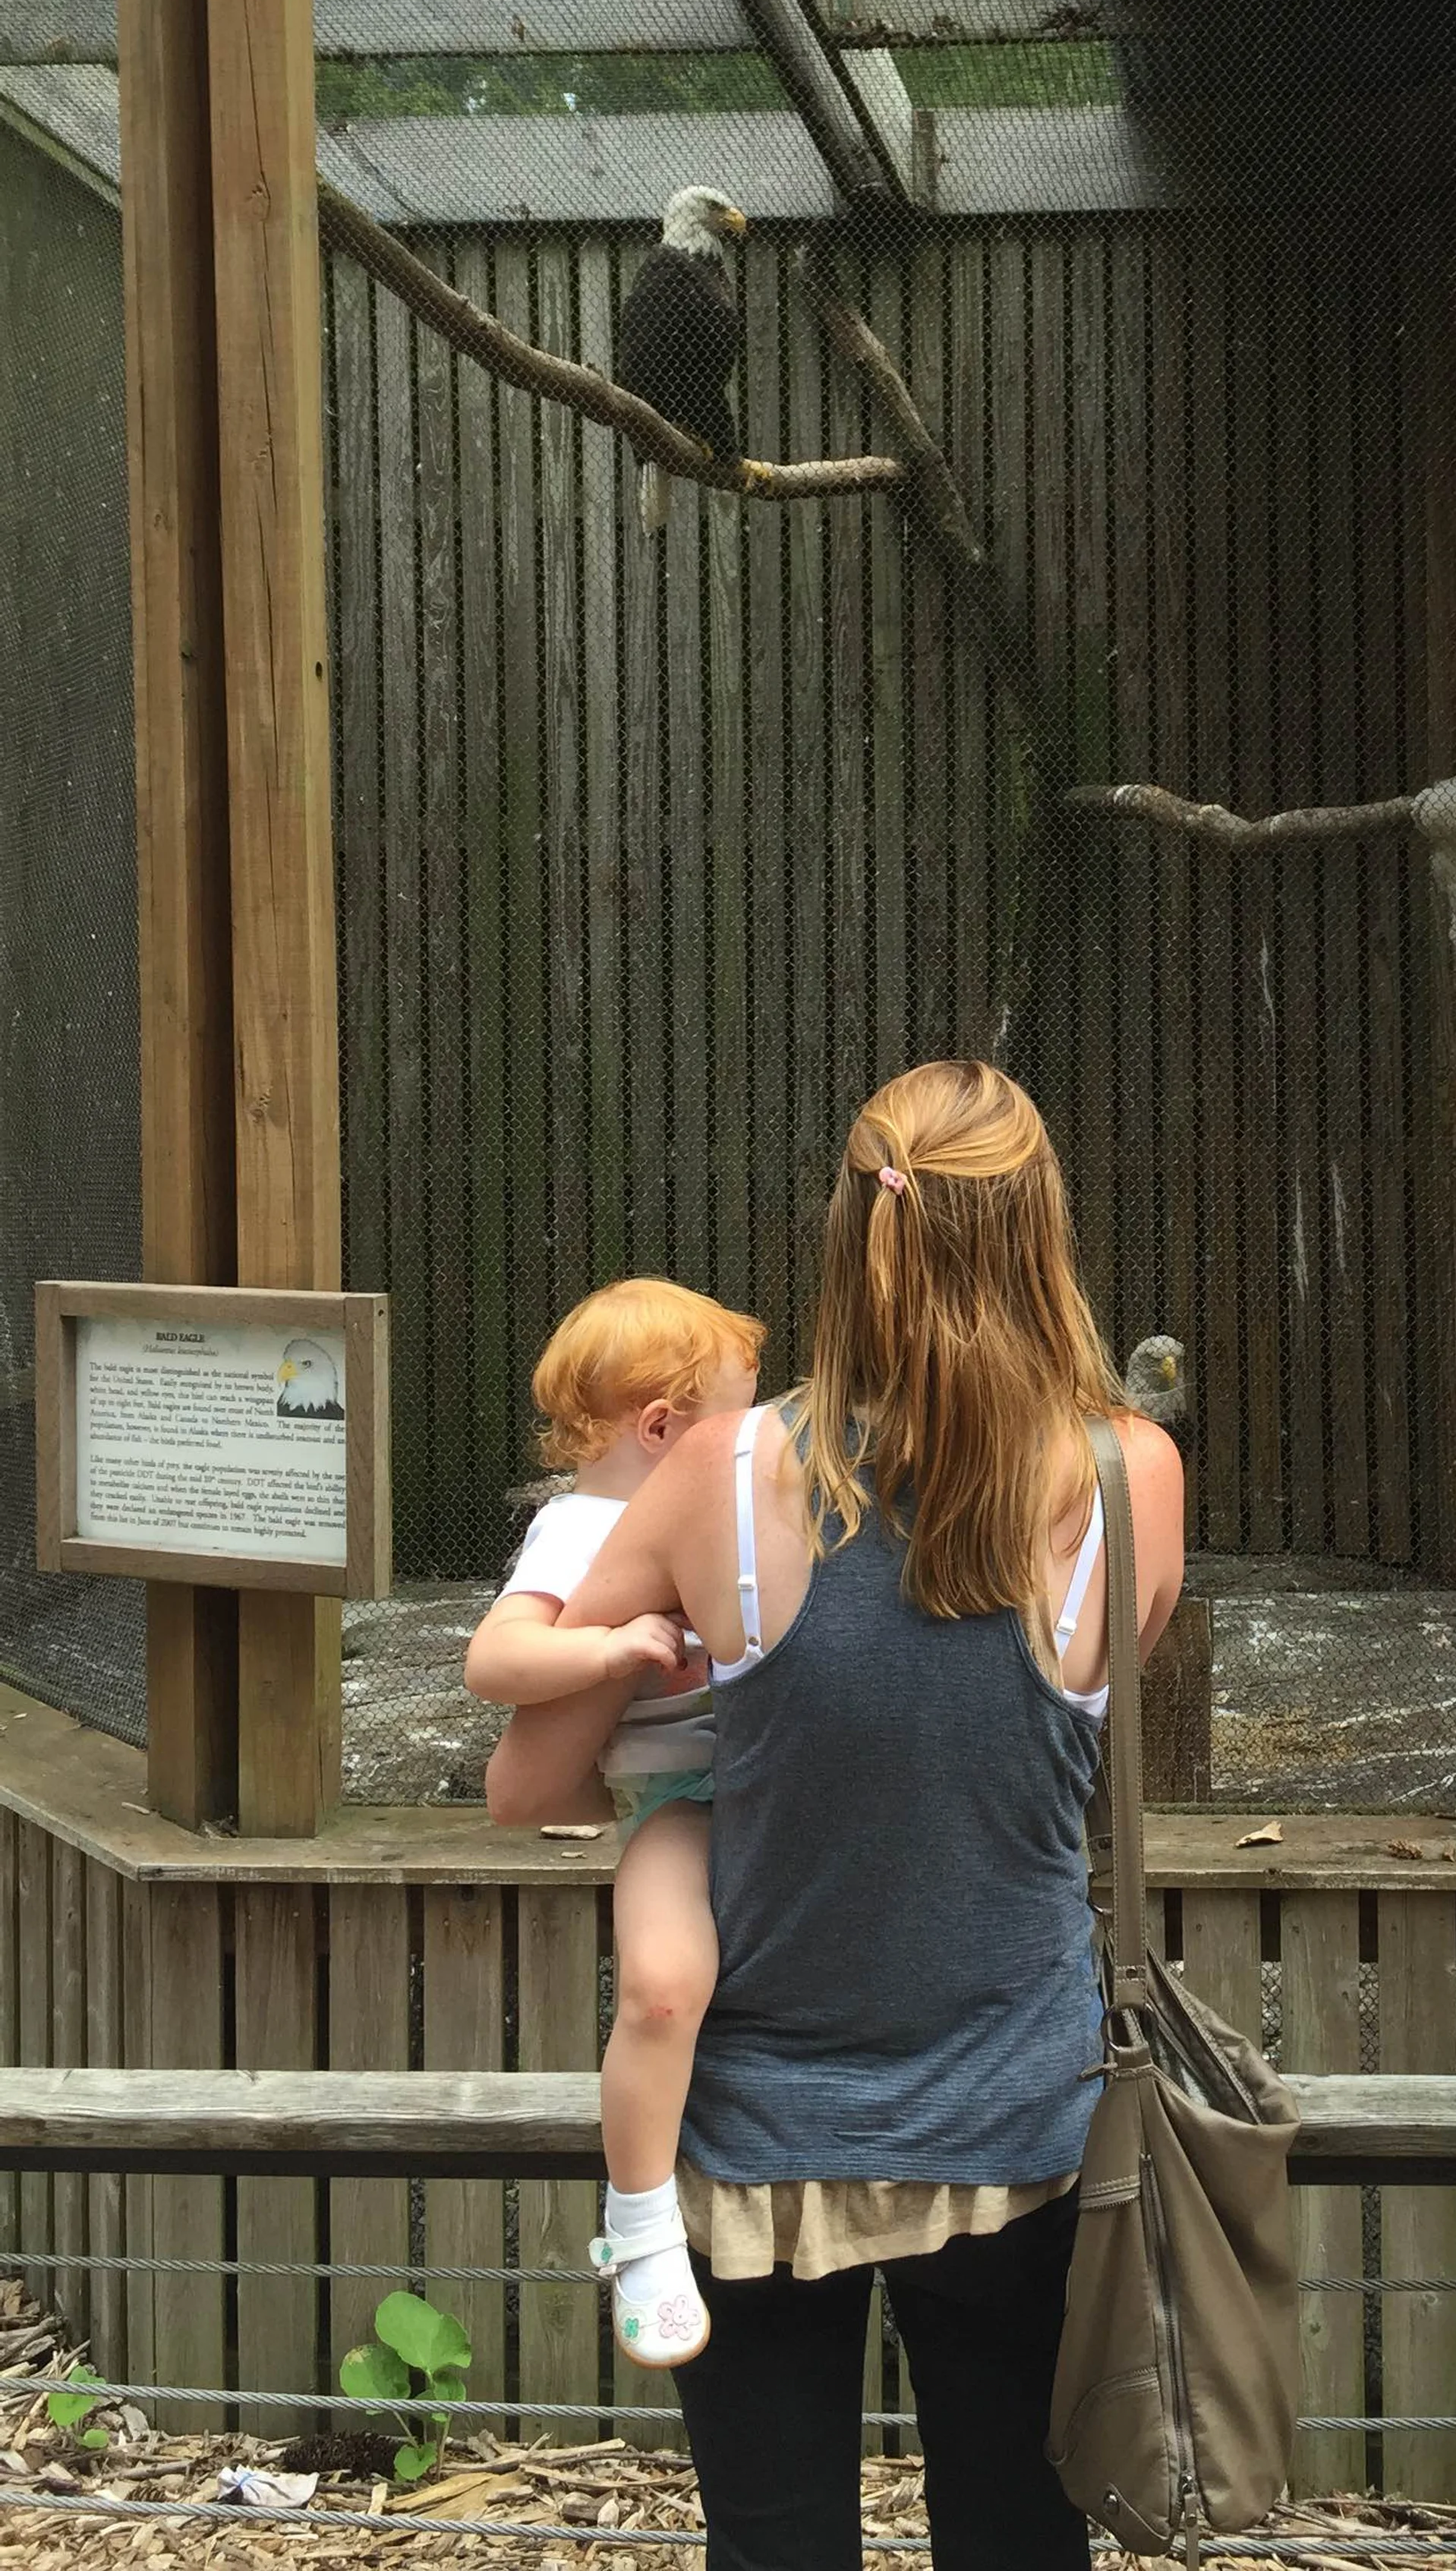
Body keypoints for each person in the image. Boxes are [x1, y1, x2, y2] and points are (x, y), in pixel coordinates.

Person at [483, 1060, 1186, 2571]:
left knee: (780, 2544)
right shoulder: (1133, 1479)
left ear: (847, 1232)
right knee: (1015, 2537)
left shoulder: (724, 1477)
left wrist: (651, 1666)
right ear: (1042, 1235)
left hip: (756, 2136)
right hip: (1024, 2114)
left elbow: (527, 1785)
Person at [464, 1277, 764, 2368]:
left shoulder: (738, 1511)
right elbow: (493, 1661)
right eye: (742, 1412)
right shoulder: (583, 1527)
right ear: (662, 1428)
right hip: (680, 1806)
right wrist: (611, 1646)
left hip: (769, 1798)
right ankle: (639, 2230)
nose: (760, 1434)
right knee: (660, 1985)